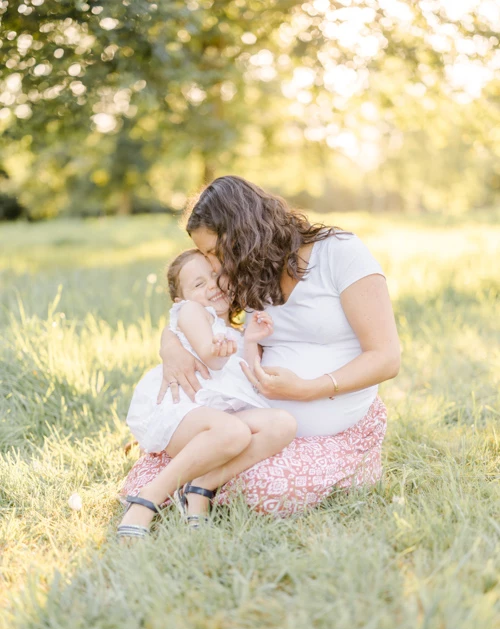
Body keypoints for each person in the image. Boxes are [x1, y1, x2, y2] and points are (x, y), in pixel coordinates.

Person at [122, 175, 400, 516]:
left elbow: (387, 358)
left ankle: (195, 484)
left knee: (262, 487)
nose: (213, 265)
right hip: (261, 424)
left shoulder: (339, 252)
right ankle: (193, 483)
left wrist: (309, 389)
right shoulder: (252, 272)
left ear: (241, 233)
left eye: (214, 252)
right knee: (232, 467)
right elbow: (204, 317)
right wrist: (171, 346)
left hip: (323, 420)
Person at [117, 248, 297, 540]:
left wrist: (250, 341)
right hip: (182, 411)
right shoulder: (191, 312)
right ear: (181, 300)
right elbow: (209, 355)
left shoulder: (233, 331)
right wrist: (216, 349)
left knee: (284, 423)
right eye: (199, 284)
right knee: (235, 431)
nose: (212, 285)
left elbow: (248, 376)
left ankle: (203, 485)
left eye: (215, 276)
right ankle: (148, 498)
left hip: (220, 424)